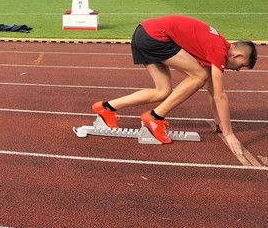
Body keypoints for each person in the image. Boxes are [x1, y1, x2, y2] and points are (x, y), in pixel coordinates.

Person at [91, 15, 256, 154]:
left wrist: (220, 123)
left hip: (144, 33)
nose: (238, 70)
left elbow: (213, 93)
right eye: (242, 65)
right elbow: (220, 96)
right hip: (155, 36)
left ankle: (106, 108)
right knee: (199, 76)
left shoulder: (216, 45)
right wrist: (229, 134)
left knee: (162, 91)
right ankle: (155, 118)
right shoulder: (218, 49)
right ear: (238, 55)